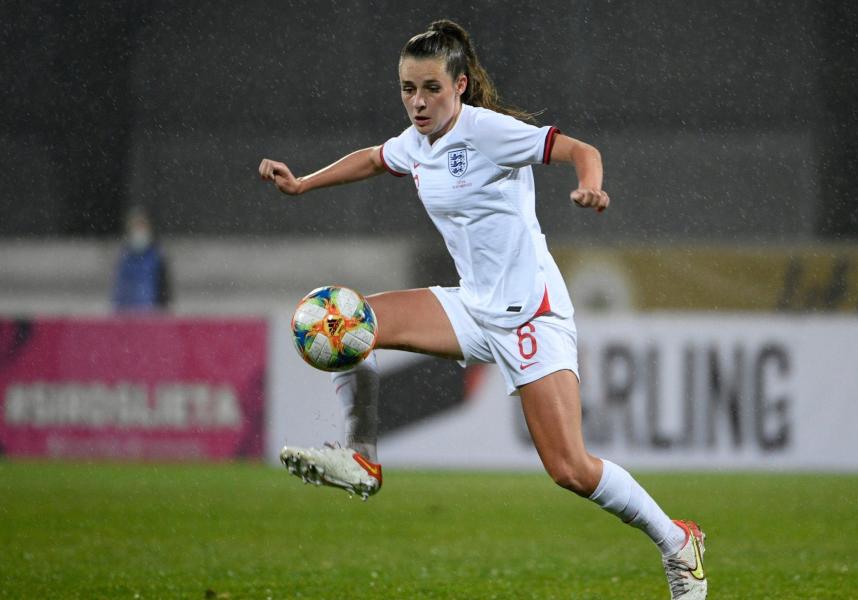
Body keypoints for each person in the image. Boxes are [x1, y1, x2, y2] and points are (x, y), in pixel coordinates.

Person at [259, 20, 707, 599]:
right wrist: (303, 186)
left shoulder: (489, 133)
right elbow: (374, 158)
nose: (417, 102)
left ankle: (677, 541)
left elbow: (579, 150)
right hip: (471, 305)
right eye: (407, 89)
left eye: (431, 89)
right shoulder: (416, 141)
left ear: (461, 85)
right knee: (343, 318)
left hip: (530, 314)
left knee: (570, 468)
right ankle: (361, 458)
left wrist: (591, 185)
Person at [111, 206, 171, 312]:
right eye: (135, 225)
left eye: (142, 225)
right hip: (127, 313)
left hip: (150, 313)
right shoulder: (124, 255)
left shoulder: (157, 255)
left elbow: (163, 288)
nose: (139, 230)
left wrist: (162, 310)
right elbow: (119, 289)